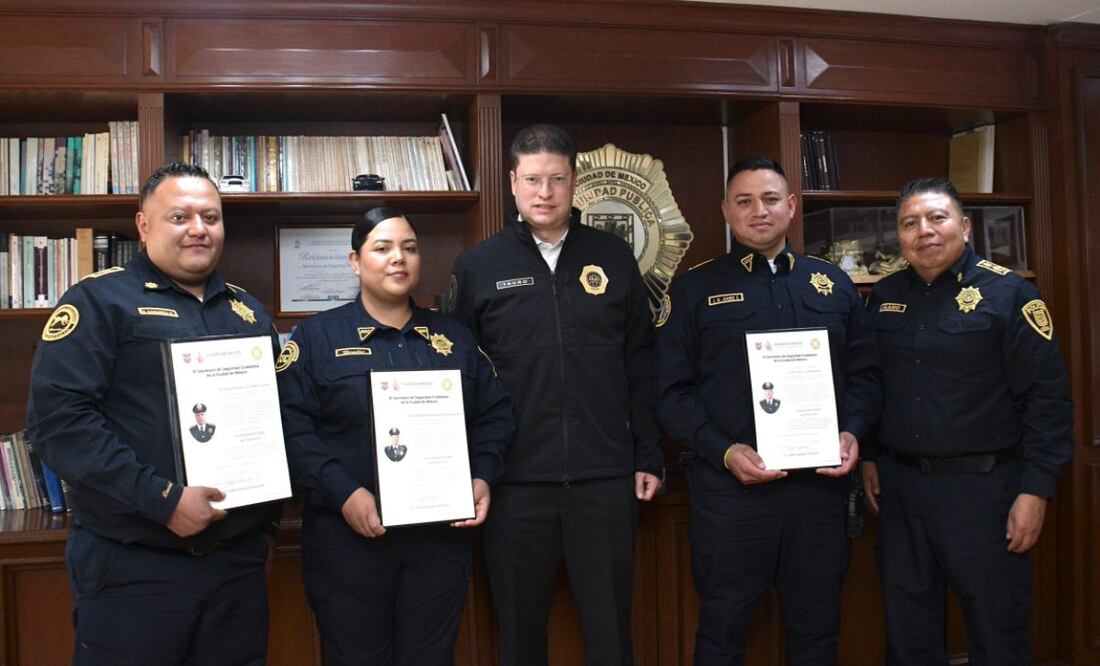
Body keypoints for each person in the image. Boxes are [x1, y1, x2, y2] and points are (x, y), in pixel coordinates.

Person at [26, 162, 282, 665]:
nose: (198, 229)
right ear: (144, 226)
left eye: (211, 217)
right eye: (179, 216)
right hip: (134, 568)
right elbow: (59, 423)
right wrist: (163, 500)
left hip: (236, 566)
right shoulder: (98, 302)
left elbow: (274, 422)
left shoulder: (248, 313)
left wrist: (264, 527)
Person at [449, 124, 664, 666]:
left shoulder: (613, 257)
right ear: (513, 184)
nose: (545, 192)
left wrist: (648, 453)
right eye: (533, 180)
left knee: (611, 634)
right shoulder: (478, 266)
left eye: (557, 180)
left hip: (605, 479)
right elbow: (461, 379)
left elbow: (640, 362)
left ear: (574, 183)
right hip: (515, 485)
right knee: (520, 636)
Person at [655, 156, 878, 665]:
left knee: (818, 629)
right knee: (723, 629)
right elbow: (670, 392)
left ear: (792, 206)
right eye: (745, 201)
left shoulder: (833, 284)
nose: (760, 211)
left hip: (819, 493)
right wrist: (724, 450)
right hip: (733, 495)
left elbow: (866, 377)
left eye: (771, 198)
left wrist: (853, 432)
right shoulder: (694, 289)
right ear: (726, 212)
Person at [277, 207, 514, 665]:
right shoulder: (316, 338)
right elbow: (292, 430)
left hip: (438, 543)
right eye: (382, 248)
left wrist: (483, 477)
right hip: (348, 544)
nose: (398, 259)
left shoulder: (454, 337)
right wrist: (343, 493)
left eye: (409, 248)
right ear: (354, 261)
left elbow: (496, 415)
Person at [862, 178, 1074, 665]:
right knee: (908, 632)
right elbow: (872, 385)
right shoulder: (884, 296)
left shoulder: (1010, 295)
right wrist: (870, 456)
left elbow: (1048, 403)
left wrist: (1035, 491)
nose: (925, 231)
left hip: (985, 492)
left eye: (937, 218)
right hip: (902, 491)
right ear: (899, 236)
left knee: (996, 630)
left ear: (964, 224)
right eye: (909, 223)